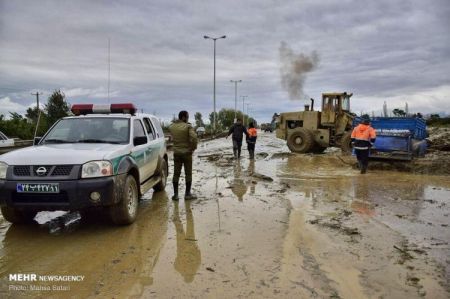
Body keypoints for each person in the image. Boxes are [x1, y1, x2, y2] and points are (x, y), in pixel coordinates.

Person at [169, 111, 198, 200]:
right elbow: (194, 138)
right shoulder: (188, 126)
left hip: (177, 153)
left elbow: (171, 137)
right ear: (183, 117)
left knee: (176, 174)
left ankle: (176, 195)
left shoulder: (172, 126)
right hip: (187, 153)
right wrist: (192, 148)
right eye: (187, 117)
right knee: (188, 174)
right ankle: (187, 194)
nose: (188, 119)